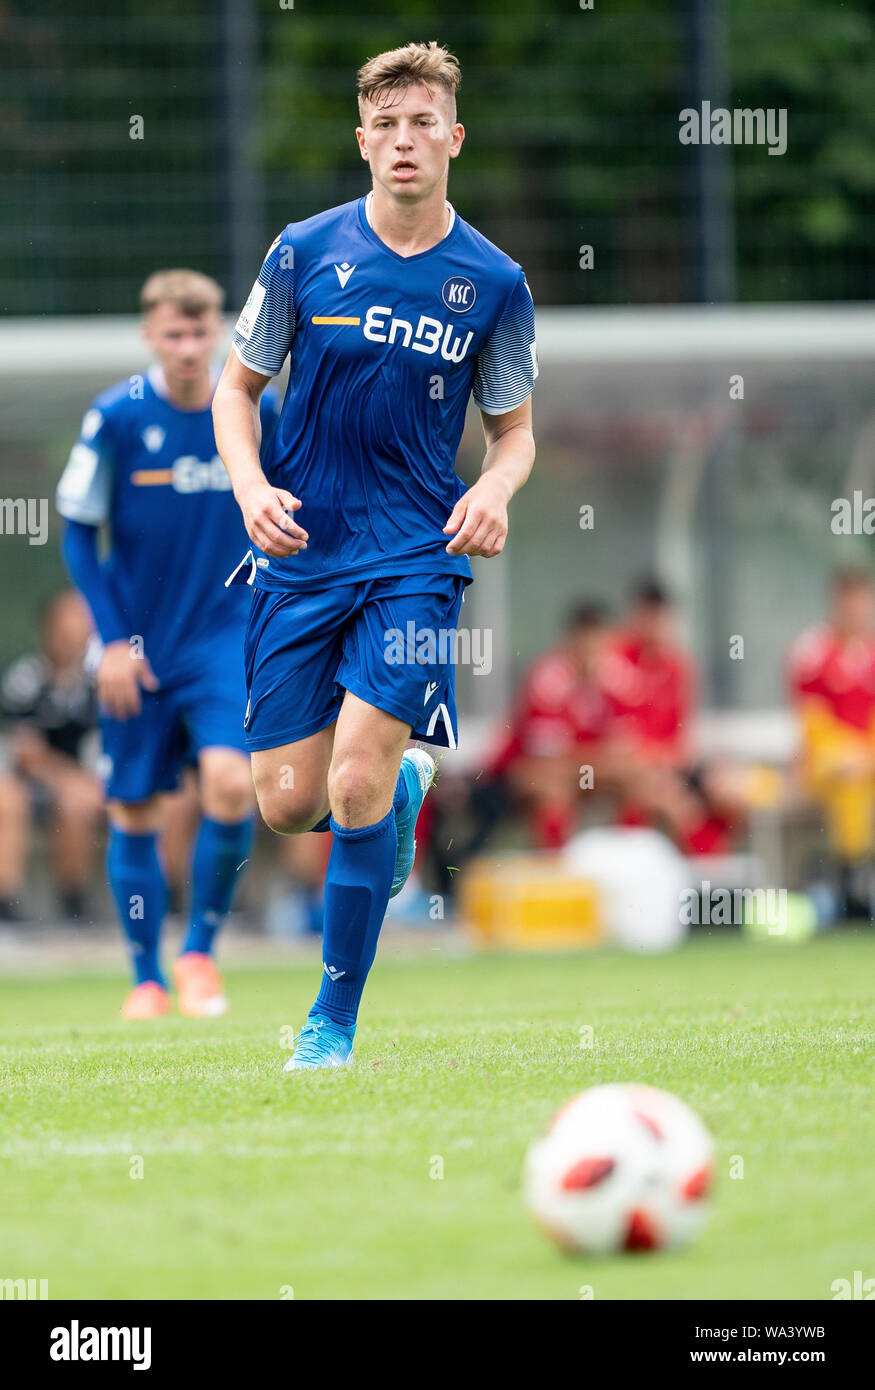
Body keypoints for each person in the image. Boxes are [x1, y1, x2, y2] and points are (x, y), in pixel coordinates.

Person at [212, 41, 537, 1069]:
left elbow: (514, 433)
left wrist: (489, 488)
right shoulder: (302, 252)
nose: (404, 140)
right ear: (362, 141)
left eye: (422, 121)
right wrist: (252, 487)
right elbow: (234, 392)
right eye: (385, 124)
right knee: (288, 801)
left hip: (412, 556)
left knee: (349, 782)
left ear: (452, 136)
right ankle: (398, 793)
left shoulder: (491, 281)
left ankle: (330, 1023)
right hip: (302, 551)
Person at [56, 269, 278, 1018]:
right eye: (173, 334)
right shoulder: (116, 416)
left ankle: (199, 957)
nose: (188, 348)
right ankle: (146, 978)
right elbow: (80, 535)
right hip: (139, 648)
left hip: (226, 637)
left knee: (227, 784)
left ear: (219, 332)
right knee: (135, 810)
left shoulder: (252, 410)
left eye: (200, 331)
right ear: (150, 335)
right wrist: (114, 641)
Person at [0, 590, 102, 921]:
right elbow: (26, 752)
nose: (73, 632)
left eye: (81, 622)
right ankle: (7, 908)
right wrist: (65, 780)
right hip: (33, 784)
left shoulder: (99, 682)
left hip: (91, 784)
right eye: (65, 623)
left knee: (79, 802)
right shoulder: (26, 678)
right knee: (7, 798)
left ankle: (75, 904)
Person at [788, 566, 875, 919]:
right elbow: (812, 724)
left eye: (861, 598)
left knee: (858, 773)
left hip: (867, 759)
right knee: (850, 778)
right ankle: (851, 881)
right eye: (847, 598)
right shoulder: (813, 652)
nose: (854, 607)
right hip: (825, 764)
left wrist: (865, 756)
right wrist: (850, 755)